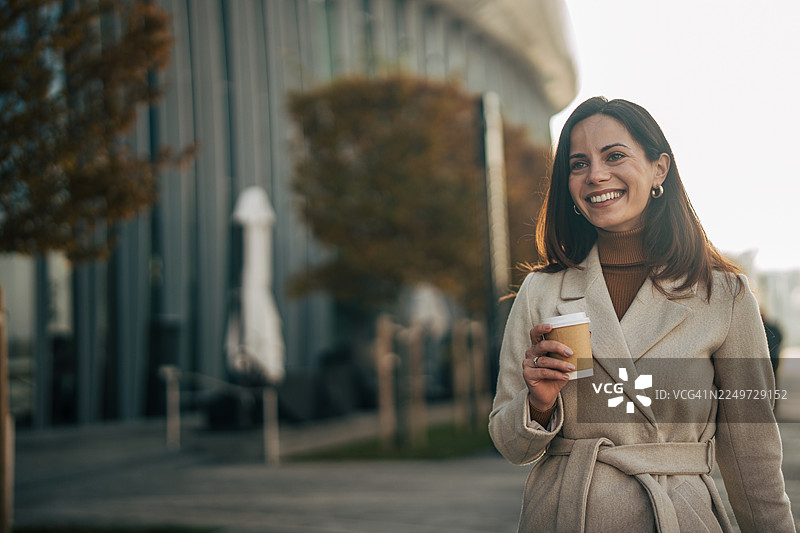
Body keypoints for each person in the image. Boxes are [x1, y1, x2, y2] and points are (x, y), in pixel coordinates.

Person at [488, 97, 794, 532]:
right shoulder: (542, 291)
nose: (596, 174)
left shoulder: (724, 295)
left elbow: (753, 455)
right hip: (565, 515)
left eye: (614, 156)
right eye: (578, 164)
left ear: (659, 170)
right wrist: (537, 404)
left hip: (678, 517)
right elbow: (509, 442)